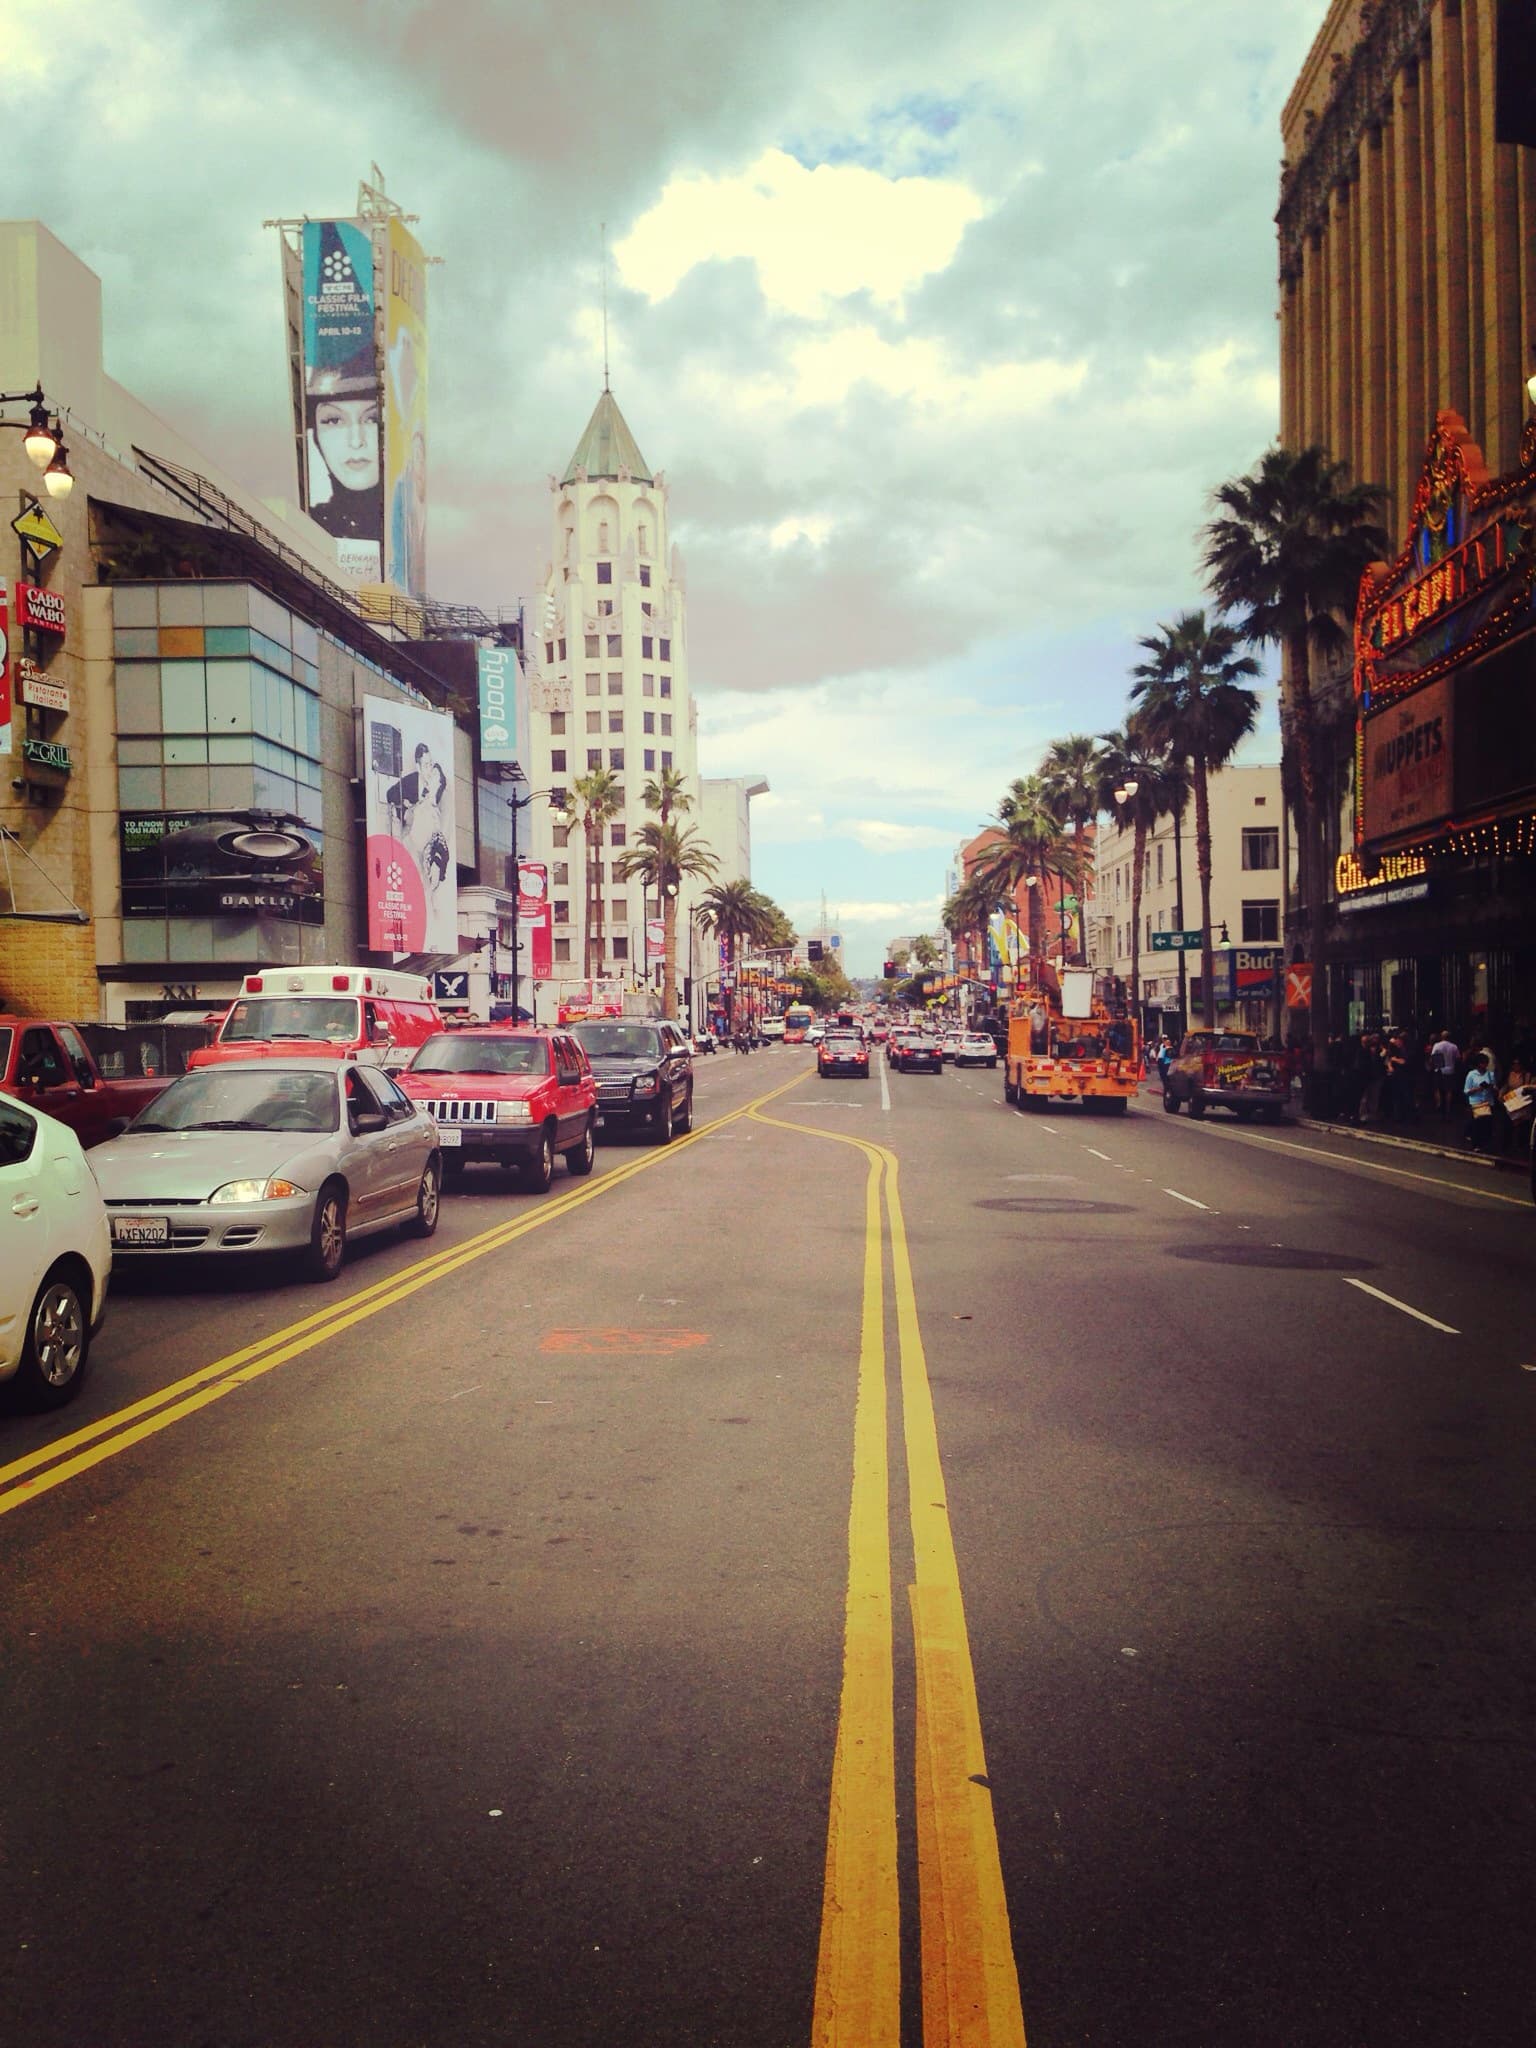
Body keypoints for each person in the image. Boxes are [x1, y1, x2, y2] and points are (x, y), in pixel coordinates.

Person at [1463, 1050, 1497, 1149]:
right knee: (1477, 1125)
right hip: (1476, 1102)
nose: (1484, 1066)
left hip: (1487, 1102)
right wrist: (1478, 1089)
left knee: (1486, 1125)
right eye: (1483, 1063)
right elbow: (1466, 1090)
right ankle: (1476, 1144)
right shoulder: (1471, 1075)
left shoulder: (1490, 1074)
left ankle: (1484, 1143)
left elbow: (1495, 1088)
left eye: (1486, 1063)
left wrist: (1491, 1087)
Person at [1427, 1026, 1459, 1116]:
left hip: (1439, 1070)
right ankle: (1448, 1107)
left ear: (1442, 1037)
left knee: (1437, 1088)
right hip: (1450, 1070)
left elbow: (1433, 1057)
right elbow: (1457, 1058)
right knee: (1449, 1090)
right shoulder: (1454, 1046)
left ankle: (1439, 1103)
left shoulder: (1437, 1045)